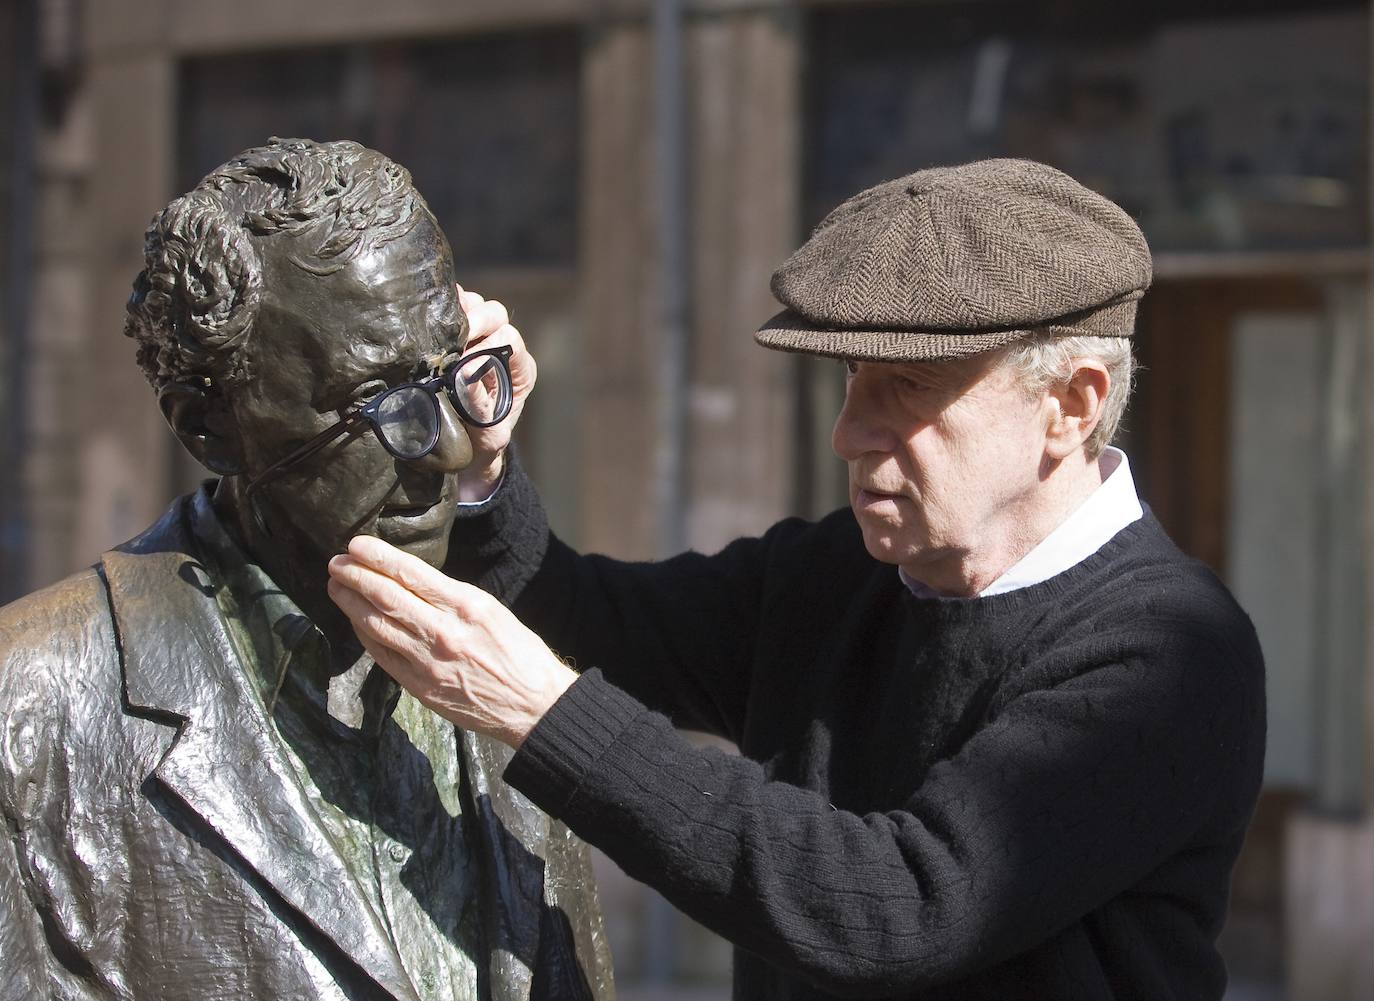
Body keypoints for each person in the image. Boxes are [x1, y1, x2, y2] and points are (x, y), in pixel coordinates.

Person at [328, 158, 1266, 1000]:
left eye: (907, 386)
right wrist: (484, 463)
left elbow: (901, 907)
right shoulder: (834, 572)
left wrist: (545, 715)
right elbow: (582, 618)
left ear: (1070, 406)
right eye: (852, 376)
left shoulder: (1171, 652)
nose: (849, 431)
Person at [0, 138, 612, 1001]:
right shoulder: (27, 713)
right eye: (381, 403)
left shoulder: (500, 677)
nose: (449, 448)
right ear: (209, 427)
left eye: (450, 378)